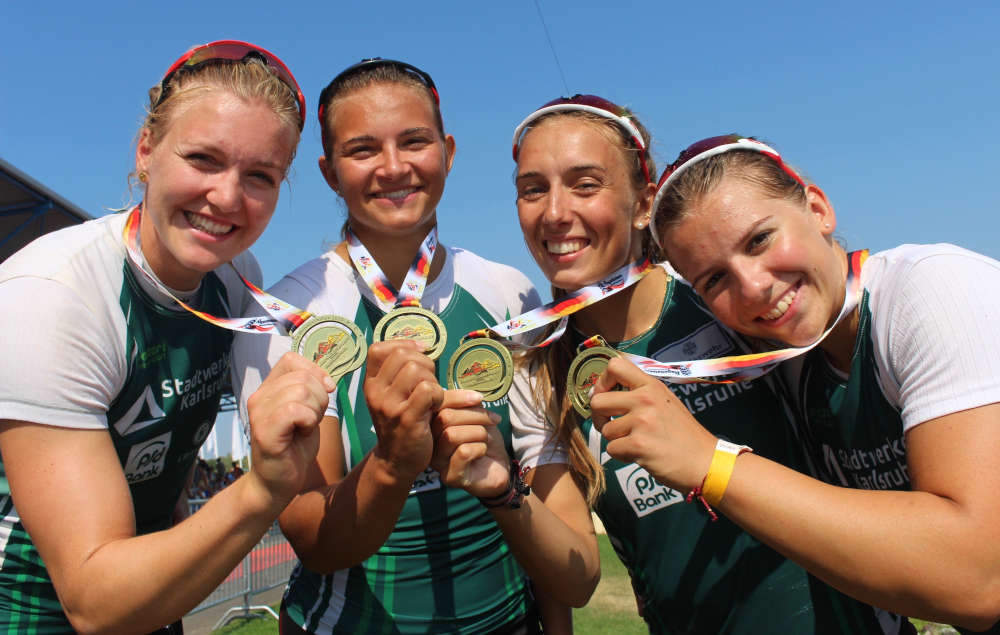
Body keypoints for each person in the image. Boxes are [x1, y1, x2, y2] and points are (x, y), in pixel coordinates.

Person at [234, 59, 598, 635]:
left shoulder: (510, 292)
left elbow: (558, 523)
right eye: (362, 150)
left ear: (448, 151)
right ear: (329, 173)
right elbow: (313, 540)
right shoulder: (291, 314)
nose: (394, 167)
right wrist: (392, 464)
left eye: (414, 141)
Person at [511, 97, 897, 633]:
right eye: (533, 189)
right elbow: (577, 581)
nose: (554, 212)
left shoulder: (725, 294)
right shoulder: (538, 372)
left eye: (585, 183)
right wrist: (498, 488)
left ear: (645, 203)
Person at [602, 133, 1000, 631]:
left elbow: (981, 576)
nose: (753, 287)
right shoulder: (793, 359)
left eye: (759, 240)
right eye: (715, 280)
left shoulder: (935, 291)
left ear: (817, 208)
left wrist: (712, 464)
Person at [0, 40, 333, 634]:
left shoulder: (235, 278)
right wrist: (260, 490)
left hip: (154, 595)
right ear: (147, 149)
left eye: (260, 176)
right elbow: (93, 603)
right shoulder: (52, 293)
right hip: (32, 609)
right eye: (203, 159)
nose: (227, 199)